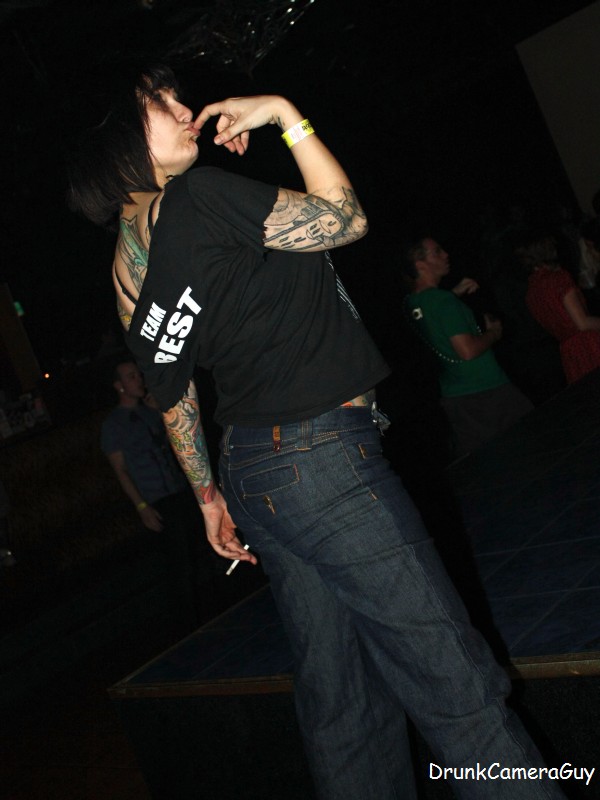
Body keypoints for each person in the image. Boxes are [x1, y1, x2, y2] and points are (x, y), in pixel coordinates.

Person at [67, 64, 565, 799]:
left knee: (344, 706)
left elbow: (173, 394)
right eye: (158, 102)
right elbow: (344, 218)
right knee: (457, 687)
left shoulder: (123, 267)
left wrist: (207, 496)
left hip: (255, 473)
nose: (182, 106)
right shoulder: (200, 196)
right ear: (120, 147)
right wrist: (283, 112)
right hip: (319, 459)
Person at [101, 358, 220, 624]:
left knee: (201, 552)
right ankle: (188, 624)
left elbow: (178, 443)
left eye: (138, 374)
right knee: (179, 564)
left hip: (180, 488)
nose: (139, 379)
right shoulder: (113, 425)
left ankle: (215, 610)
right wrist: (141, 506)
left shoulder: (150, 411)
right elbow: (120, 470)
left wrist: (162, 413)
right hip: (157, 498)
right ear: (119, 386)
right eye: (131, 376)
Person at [402, 236, 533, 458]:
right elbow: (467, 351)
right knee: (533, 443)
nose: (446, 255)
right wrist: (493, 333)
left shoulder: (412, 303)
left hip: (456, 396)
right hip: (486, 390)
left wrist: (454, 293)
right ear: (420, 265)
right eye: (437, 252)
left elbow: (434, 314)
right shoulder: (444, 302)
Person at [515, 230, 600, 385]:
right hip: (590, 344)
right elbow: (582, 323)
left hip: (569, 353)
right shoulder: (558, 279)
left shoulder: (531, 290)